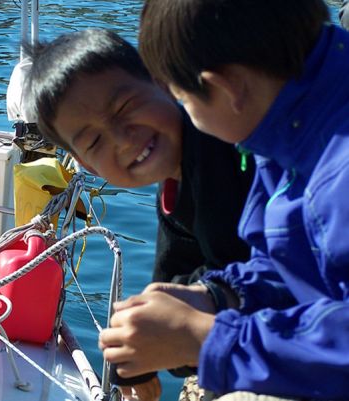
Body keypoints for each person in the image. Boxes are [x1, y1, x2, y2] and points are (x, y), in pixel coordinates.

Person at [98, 0, 349, 399]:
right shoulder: (293, 120)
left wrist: (202, 339)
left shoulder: (337, 175)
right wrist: (218, 297)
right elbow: (295, 265)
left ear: (225, 88)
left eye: (184, 99)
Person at [23, 28, 253, 400]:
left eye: (125, 106)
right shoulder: (177, 186)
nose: (122, 138)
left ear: (162, 83)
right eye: (95, 141)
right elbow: (172, 277)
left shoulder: (227, 152)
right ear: (87, 164)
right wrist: (133, 356)